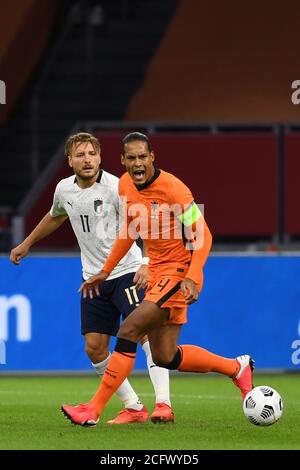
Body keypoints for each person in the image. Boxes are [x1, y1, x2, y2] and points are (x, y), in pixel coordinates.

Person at [61, 132, 254, 427]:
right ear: (122, 161)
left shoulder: (175, 190)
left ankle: (93, 409)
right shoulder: (125, 185)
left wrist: (193, 276)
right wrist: (105, 270)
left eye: (142, 157)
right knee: (166, 356)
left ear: (152, 157)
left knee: (130, 329)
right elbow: (129, 229)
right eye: (131, 158)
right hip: (158, 274)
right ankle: (236, 368)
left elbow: (203, 234)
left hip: (178, 272)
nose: (138, 163)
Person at [10, 132, 174, 424]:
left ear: (100, 157)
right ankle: (134, 407)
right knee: (95, 347)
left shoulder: (117, 187)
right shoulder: (64, 189)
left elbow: (144, 221)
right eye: (80, 155)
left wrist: (147, 262)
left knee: (146, 334)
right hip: (94, 278)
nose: (87, 160)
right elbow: (56, 215)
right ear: (69, 160)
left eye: (92, 154)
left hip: (127, 271)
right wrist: (27, 243)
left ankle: (163, 404)